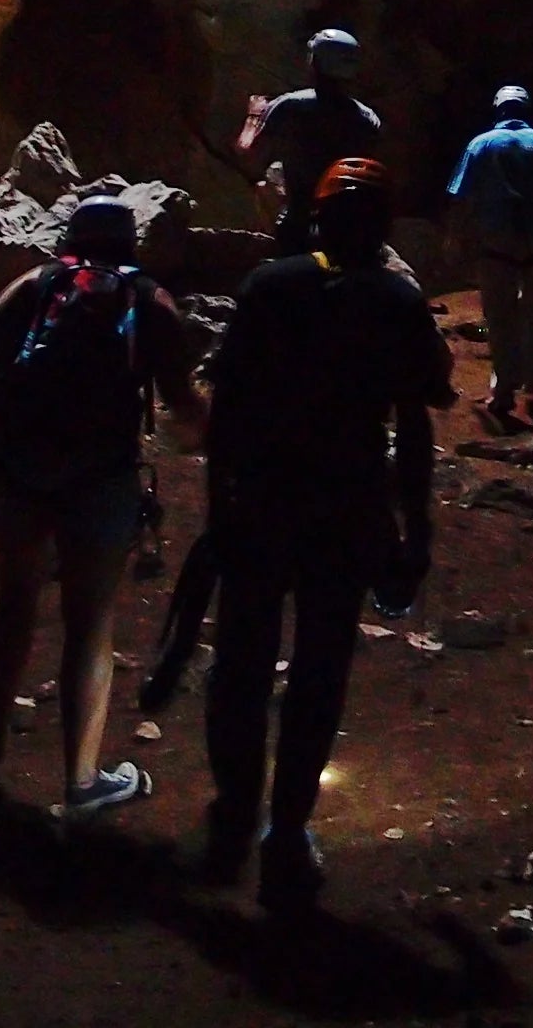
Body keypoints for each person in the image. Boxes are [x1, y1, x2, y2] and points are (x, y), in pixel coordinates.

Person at [197, 155, 453, 910]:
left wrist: (218, 508)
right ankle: (285, 831)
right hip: (347, 507)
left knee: (241, 662)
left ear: (318, 217)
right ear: (381, 226)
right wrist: (416, 534)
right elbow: (411, 429)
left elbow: (229, 411)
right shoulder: (396, 301)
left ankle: (234, 815)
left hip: (265, 501)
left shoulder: (270, 287)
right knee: (318, 670)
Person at [0, 195, 209, 820]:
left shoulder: (35, 285)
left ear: (68, 236)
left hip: (18, 468)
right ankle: (81, 781)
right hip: (100, 478)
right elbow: (183, 407)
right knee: (89, 623)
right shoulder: (151, 303)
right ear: (132, 243)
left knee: (15, 595)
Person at [447, 84, 533, 427]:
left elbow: (460, 194)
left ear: (498, 110)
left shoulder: (480, 143)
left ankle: (504, 389)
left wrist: (457, 239)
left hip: (496, 242)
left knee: (500, 315)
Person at [233, 28, 385, 255]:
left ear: (314, 63)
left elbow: (247, 151)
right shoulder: (368, 119)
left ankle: (274, 245)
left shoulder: (289, 106)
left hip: (299, 221)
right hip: (349, 225)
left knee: (264, 183)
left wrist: (255, 116)